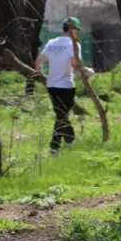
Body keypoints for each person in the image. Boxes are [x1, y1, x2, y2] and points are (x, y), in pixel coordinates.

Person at [34, 17, 82, 155]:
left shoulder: (51, 43)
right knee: (61, 116)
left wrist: (43, 74)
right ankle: (54, 147)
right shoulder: (73, 45)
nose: (77, 33)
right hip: (66, 85)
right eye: (77, 30)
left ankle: (70, 139)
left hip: (51, 85)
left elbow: (38, 62)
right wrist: (82, 71)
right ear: (73, 30)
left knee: (61, 114)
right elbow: (74, 64)